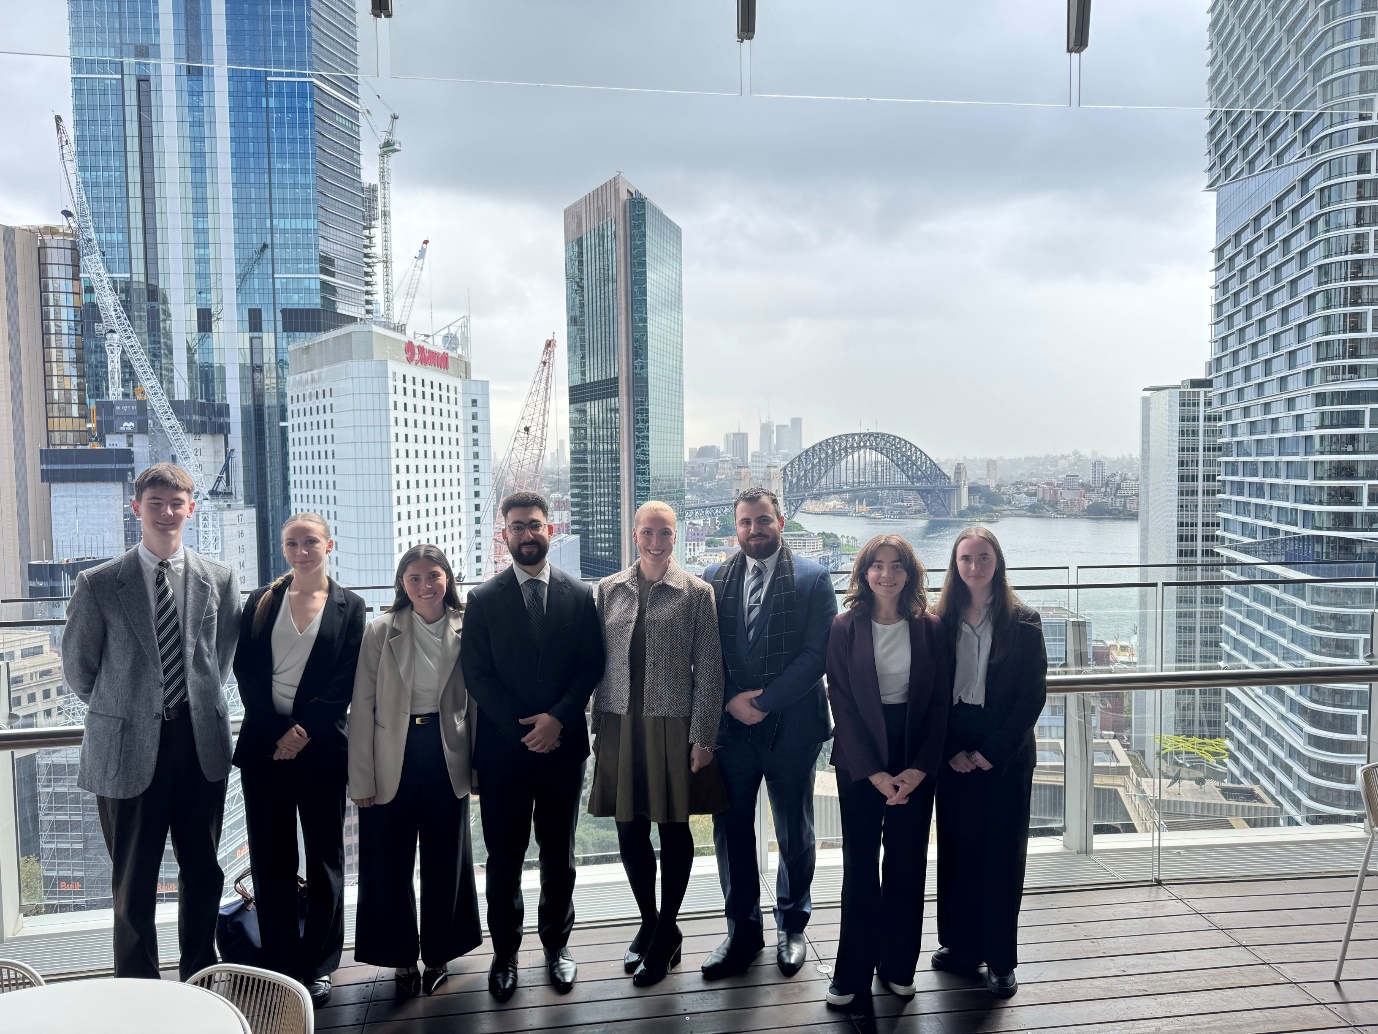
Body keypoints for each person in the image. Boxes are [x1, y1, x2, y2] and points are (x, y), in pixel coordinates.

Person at [60, 462, 241, 979]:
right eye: (155, 503)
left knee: (203, 873)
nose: (166, 512)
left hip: (198, 742)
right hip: (126, 748)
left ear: (191, 509)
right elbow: (79, 669)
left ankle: (200, 975)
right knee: (133, 880)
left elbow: (219, 659)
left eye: (176, 503)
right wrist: (132, 706)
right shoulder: (99, 584)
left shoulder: (219, 579)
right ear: (136, 508)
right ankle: (137, 990)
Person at [459, 491, 606, 1000]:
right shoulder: (482, 599)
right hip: (505, 752)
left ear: (550, 530)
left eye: (535, 525)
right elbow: (476, 675)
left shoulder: (578, 594)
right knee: (504, 857)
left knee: (558, 854)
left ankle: (556, 947)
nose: (527, 534)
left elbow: (591, 666)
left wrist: (557, 720)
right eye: (518, 526)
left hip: (562, 747)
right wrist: (526, 729)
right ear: (505, 535)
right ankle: (504, 955)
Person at [701, 487, 838, 980]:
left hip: (793, 729)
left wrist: (761, 702)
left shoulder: (813, 578)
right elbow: (706, 651)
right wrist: (732, 701)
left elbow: (817, 655)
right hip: (732, 731)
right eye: (745, 523)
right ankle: (742, 932)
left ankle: (793, 925)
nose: (754, 530)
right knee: (730, 833)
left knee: (794, 831)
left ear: (780, 522)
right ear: (735, 528)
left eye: (763, 521)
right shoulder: (713, 578)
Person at [588, 501, 728, 987]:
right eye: (647, 532)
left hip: (673, 725)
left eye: (664, 532)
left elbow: (710, 669)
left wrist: (703, 737)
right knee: (629, 828)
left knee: (672, 828)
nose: (655, 541)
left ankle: (668, 930)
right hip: (620, 722)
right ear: (634, 534)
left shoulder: (696, 593)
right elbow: (596, 661)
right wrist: (595, 725)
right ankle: (649, 921)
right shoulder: (608, 589)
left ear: (676, 536)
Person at [232, 513, 365, 1007]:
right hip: (265, 747)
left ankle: (320, 963)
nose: (302, 550)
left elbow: (346, 679)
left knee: (326, 855)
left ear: (330, 544)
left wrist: (304, 731)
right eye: (292, 543)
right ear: (283, 549)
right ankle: (279, 961)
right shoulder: (261, 602)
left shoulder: (350, 606)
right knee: (271, 859)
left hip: (322, 748)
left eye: (311, 541)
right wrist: (277, 731)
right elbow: (245, 671)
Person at [821, 535, 950, 1009]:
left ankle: (897, 965)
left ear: (910, 574)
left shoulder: (930, 628)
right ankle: (851, 972)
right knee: (860, 865)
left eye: (897, 566)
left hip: (914, 750)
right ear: (864, 573)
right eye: (877, 565)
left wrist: (918, 768)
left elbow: (939, 705)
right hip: (860, 753)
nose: (887, 574)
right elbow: (842, 703)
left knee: (907, 862)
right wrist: (874, 773)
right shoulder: (844, 627)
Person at [348, 544, 482, 997]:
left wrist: (478, 770)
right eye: (415, 578)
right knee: (387, 863)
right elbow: (361, 708)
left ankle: (440, 953)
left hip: (446, 753)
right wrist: (361, 778)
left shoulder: (469, 627)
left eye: (434, 576)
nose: (425, 586)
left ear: (448, 579)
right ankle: (400, 959)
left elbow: (478, 705)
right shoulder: (381, 630)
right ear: (401, 585)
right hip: (392, 752)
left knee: (447, 861)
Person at [932, 527, 1047, 999]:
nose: (974, 567)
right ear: (954, 566)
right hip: (953, 745)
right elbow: (930, 692)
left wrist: (990, 752)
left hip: (1006, 753)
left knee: (1002, 858)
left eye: (982, 557)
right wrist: (949, 751)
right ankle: (960, 948)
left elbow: (1031, 697)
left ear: (997, 562)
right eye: (965, 558)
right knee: (956, 854)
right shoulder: (940, 619)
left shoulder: (1024, 620)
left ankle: (1001, 959)